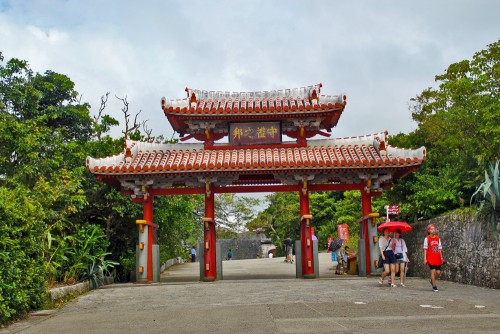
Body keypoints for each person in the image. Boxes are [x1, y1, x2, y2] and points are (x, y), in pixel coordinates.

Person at [423, 223, 444, 292]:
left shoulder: (438, 238)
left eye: (434, 229)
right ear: (429, 230)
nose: (433, 230)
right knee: (433, 271)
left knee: (438, 272)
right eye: (432, 229)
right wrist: (425, 258)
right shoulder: (427, 238)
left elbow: (439, 248)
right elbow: (425, 249)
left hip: (437, 257)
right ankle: (434, 286)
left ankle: (432, 280)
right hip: (430, 257)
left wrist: (441, 257)